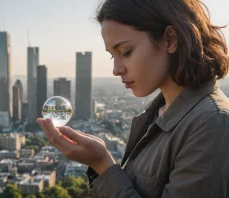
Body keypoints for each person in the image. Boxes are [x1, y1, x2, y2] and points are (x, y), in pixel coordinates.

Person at [37, 0, 229, 197]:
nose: (116, 70)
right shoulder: (158, 113)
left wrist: (102, 164)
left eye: (126, 52)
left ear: (170, 39)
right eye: (113, 56)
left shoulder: (212, 124)